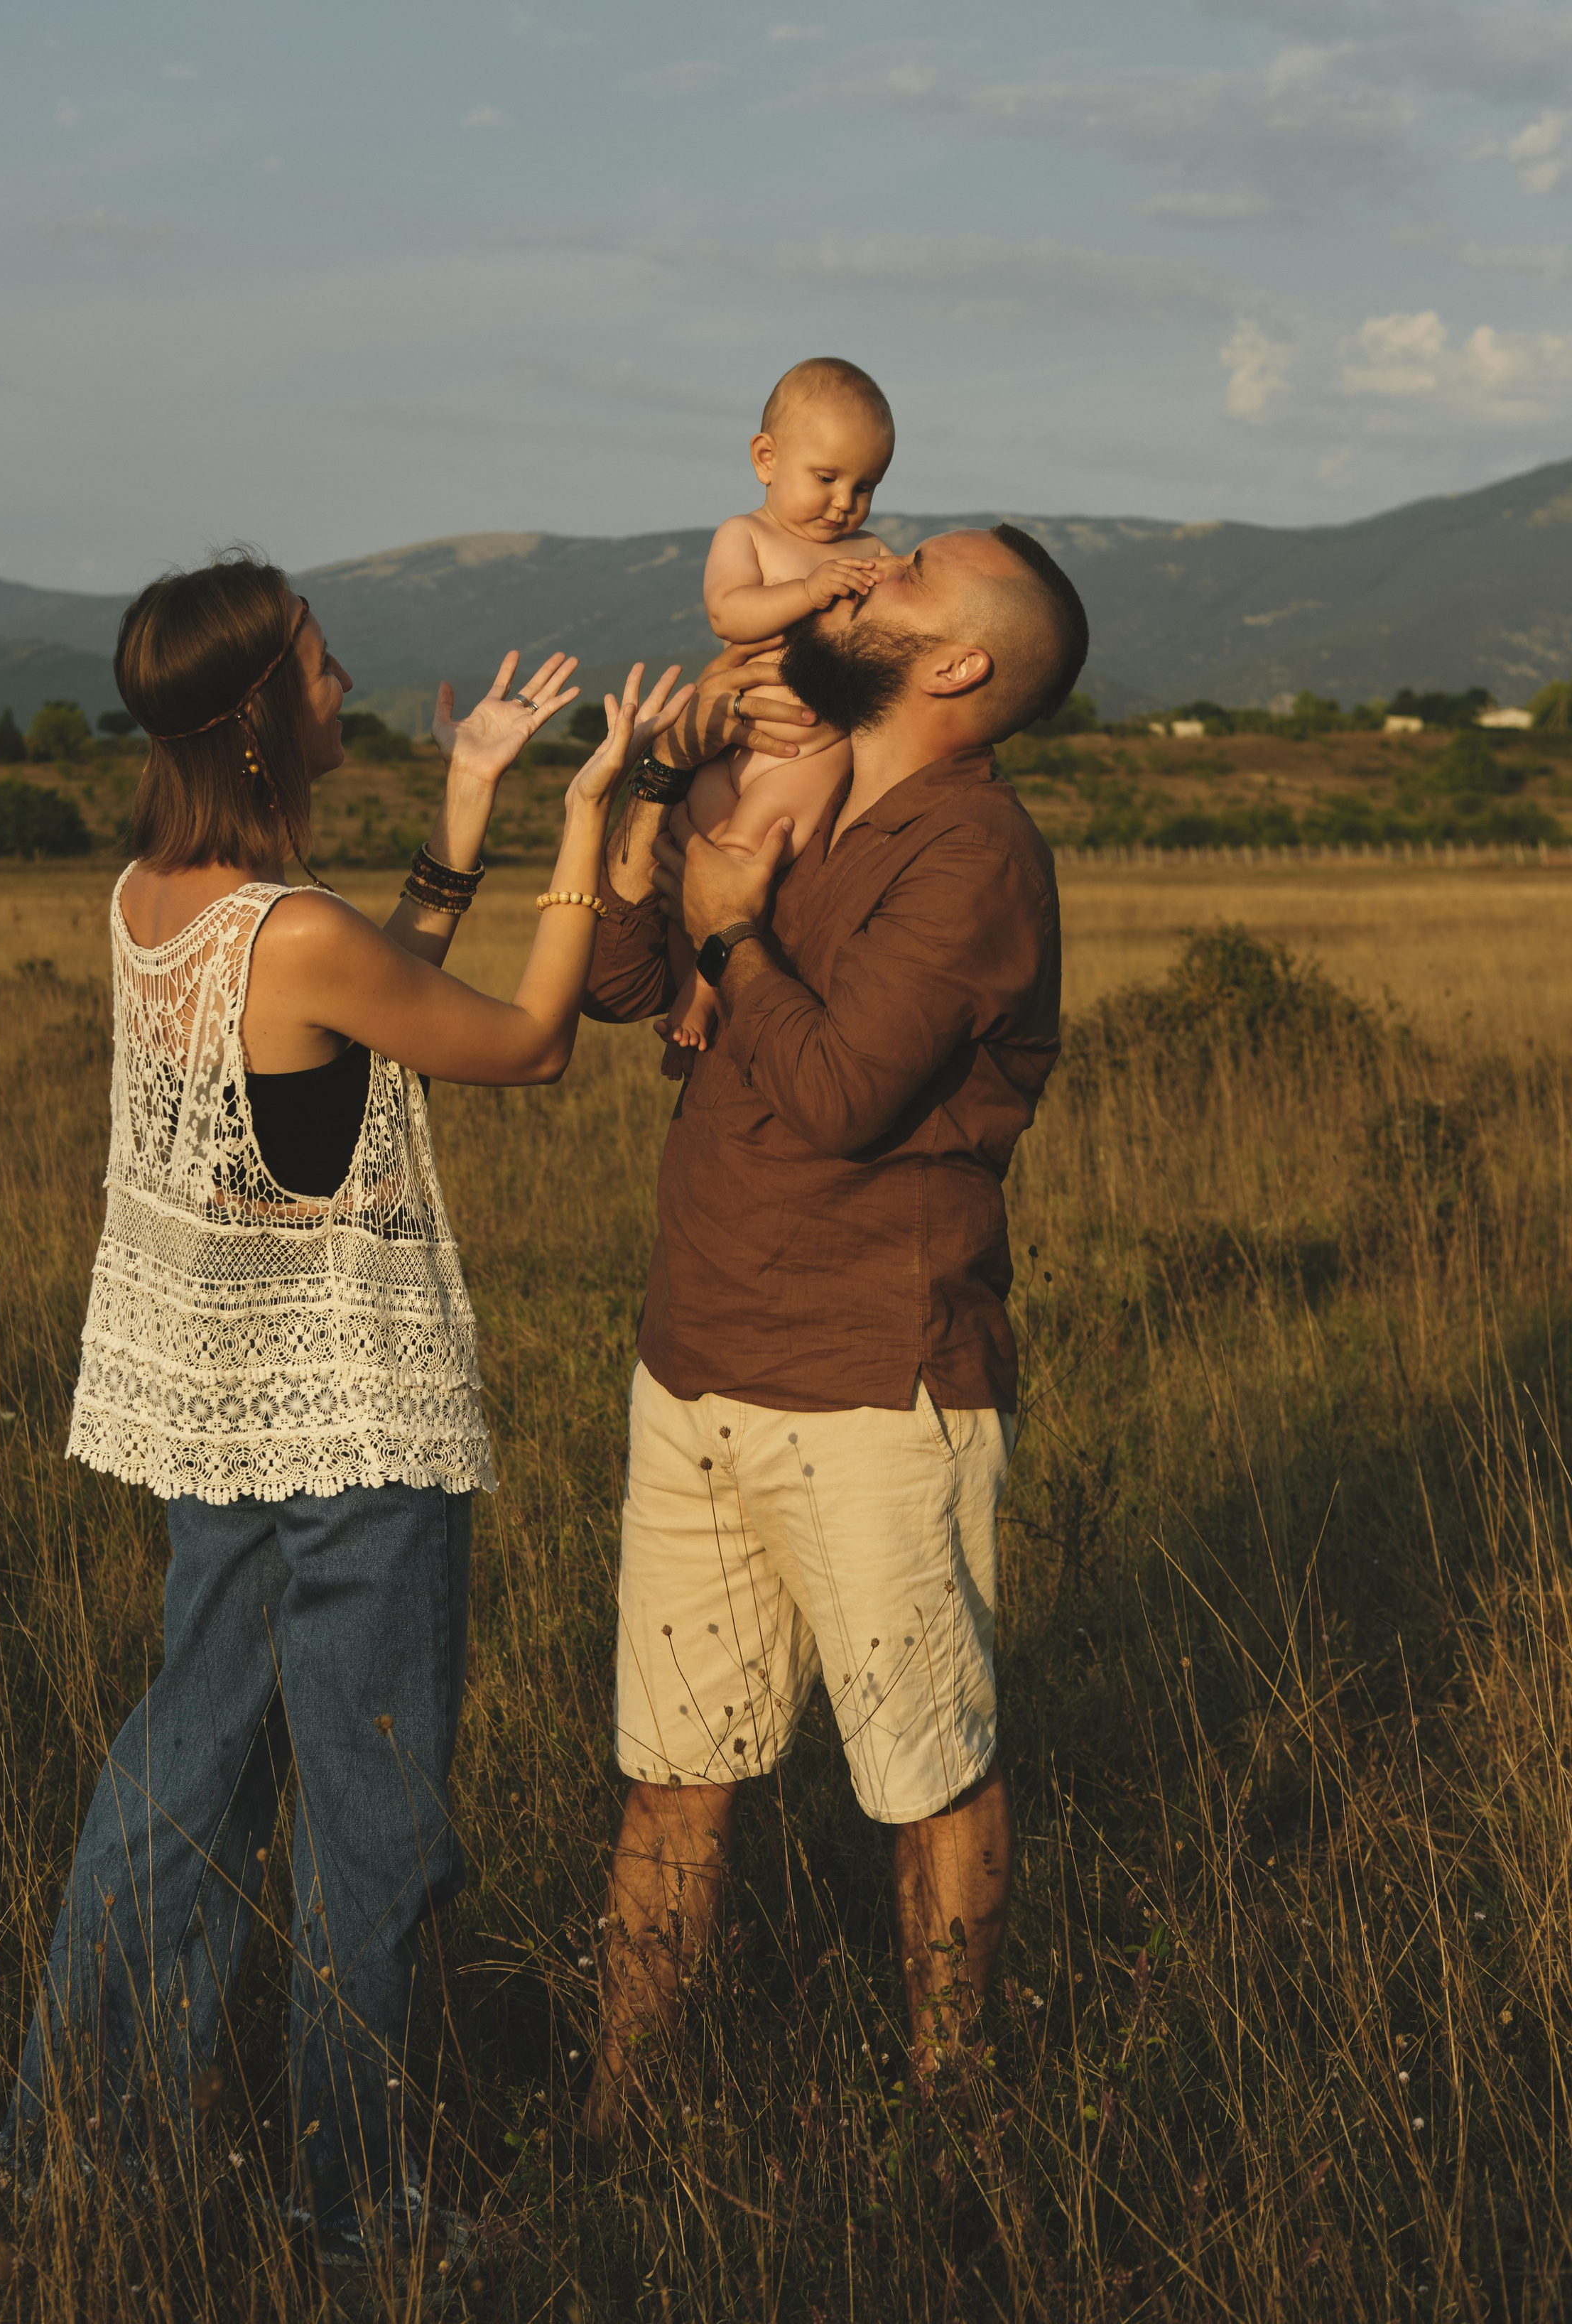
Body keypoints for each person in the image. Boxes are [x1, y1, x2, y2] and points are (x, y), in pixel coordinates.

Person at [0, 551, 687, 2281]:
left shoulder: (156, 902)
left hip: (219, 1420)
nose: (340, 678)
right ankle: (354, 2202)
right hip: (353, 1432)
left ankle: (75, 2166)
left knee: (176, 1781)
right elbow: (522, 1046)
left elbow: (346, 1027)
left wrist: (459, 820)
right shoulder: (287, 931)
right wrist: (587, 818)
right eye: (315, 662)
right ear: (253, 710)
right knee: (372, 1833)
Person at [580, 523, 1087, 2131]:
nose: (865, 571)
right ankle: (619, 2124)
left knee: (923, 1768)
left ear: (962, 667)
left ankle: (953, 2129)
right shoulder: (786, 772)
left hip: (872, 1377)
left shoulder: (972, 855)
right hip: (695, 1357)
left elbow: (848, 1092)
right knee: (672, 1772)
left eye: (916, 571)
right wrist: (659, 800)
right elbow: (612, 980)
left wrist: (733, 932)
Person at [659, 357, 895, 1056]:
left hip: (804, 754)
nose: (843, 502)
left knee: (740, 857)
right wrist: (810, 592)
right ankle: (679, 979)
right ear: (766, 457)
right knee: (680, 850)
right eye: (826, 478)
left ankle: (700, 996)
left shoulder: (872, 553)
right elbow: (730, 614)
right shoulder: (746, 535)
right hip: (730, 745)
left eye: (865, 486)